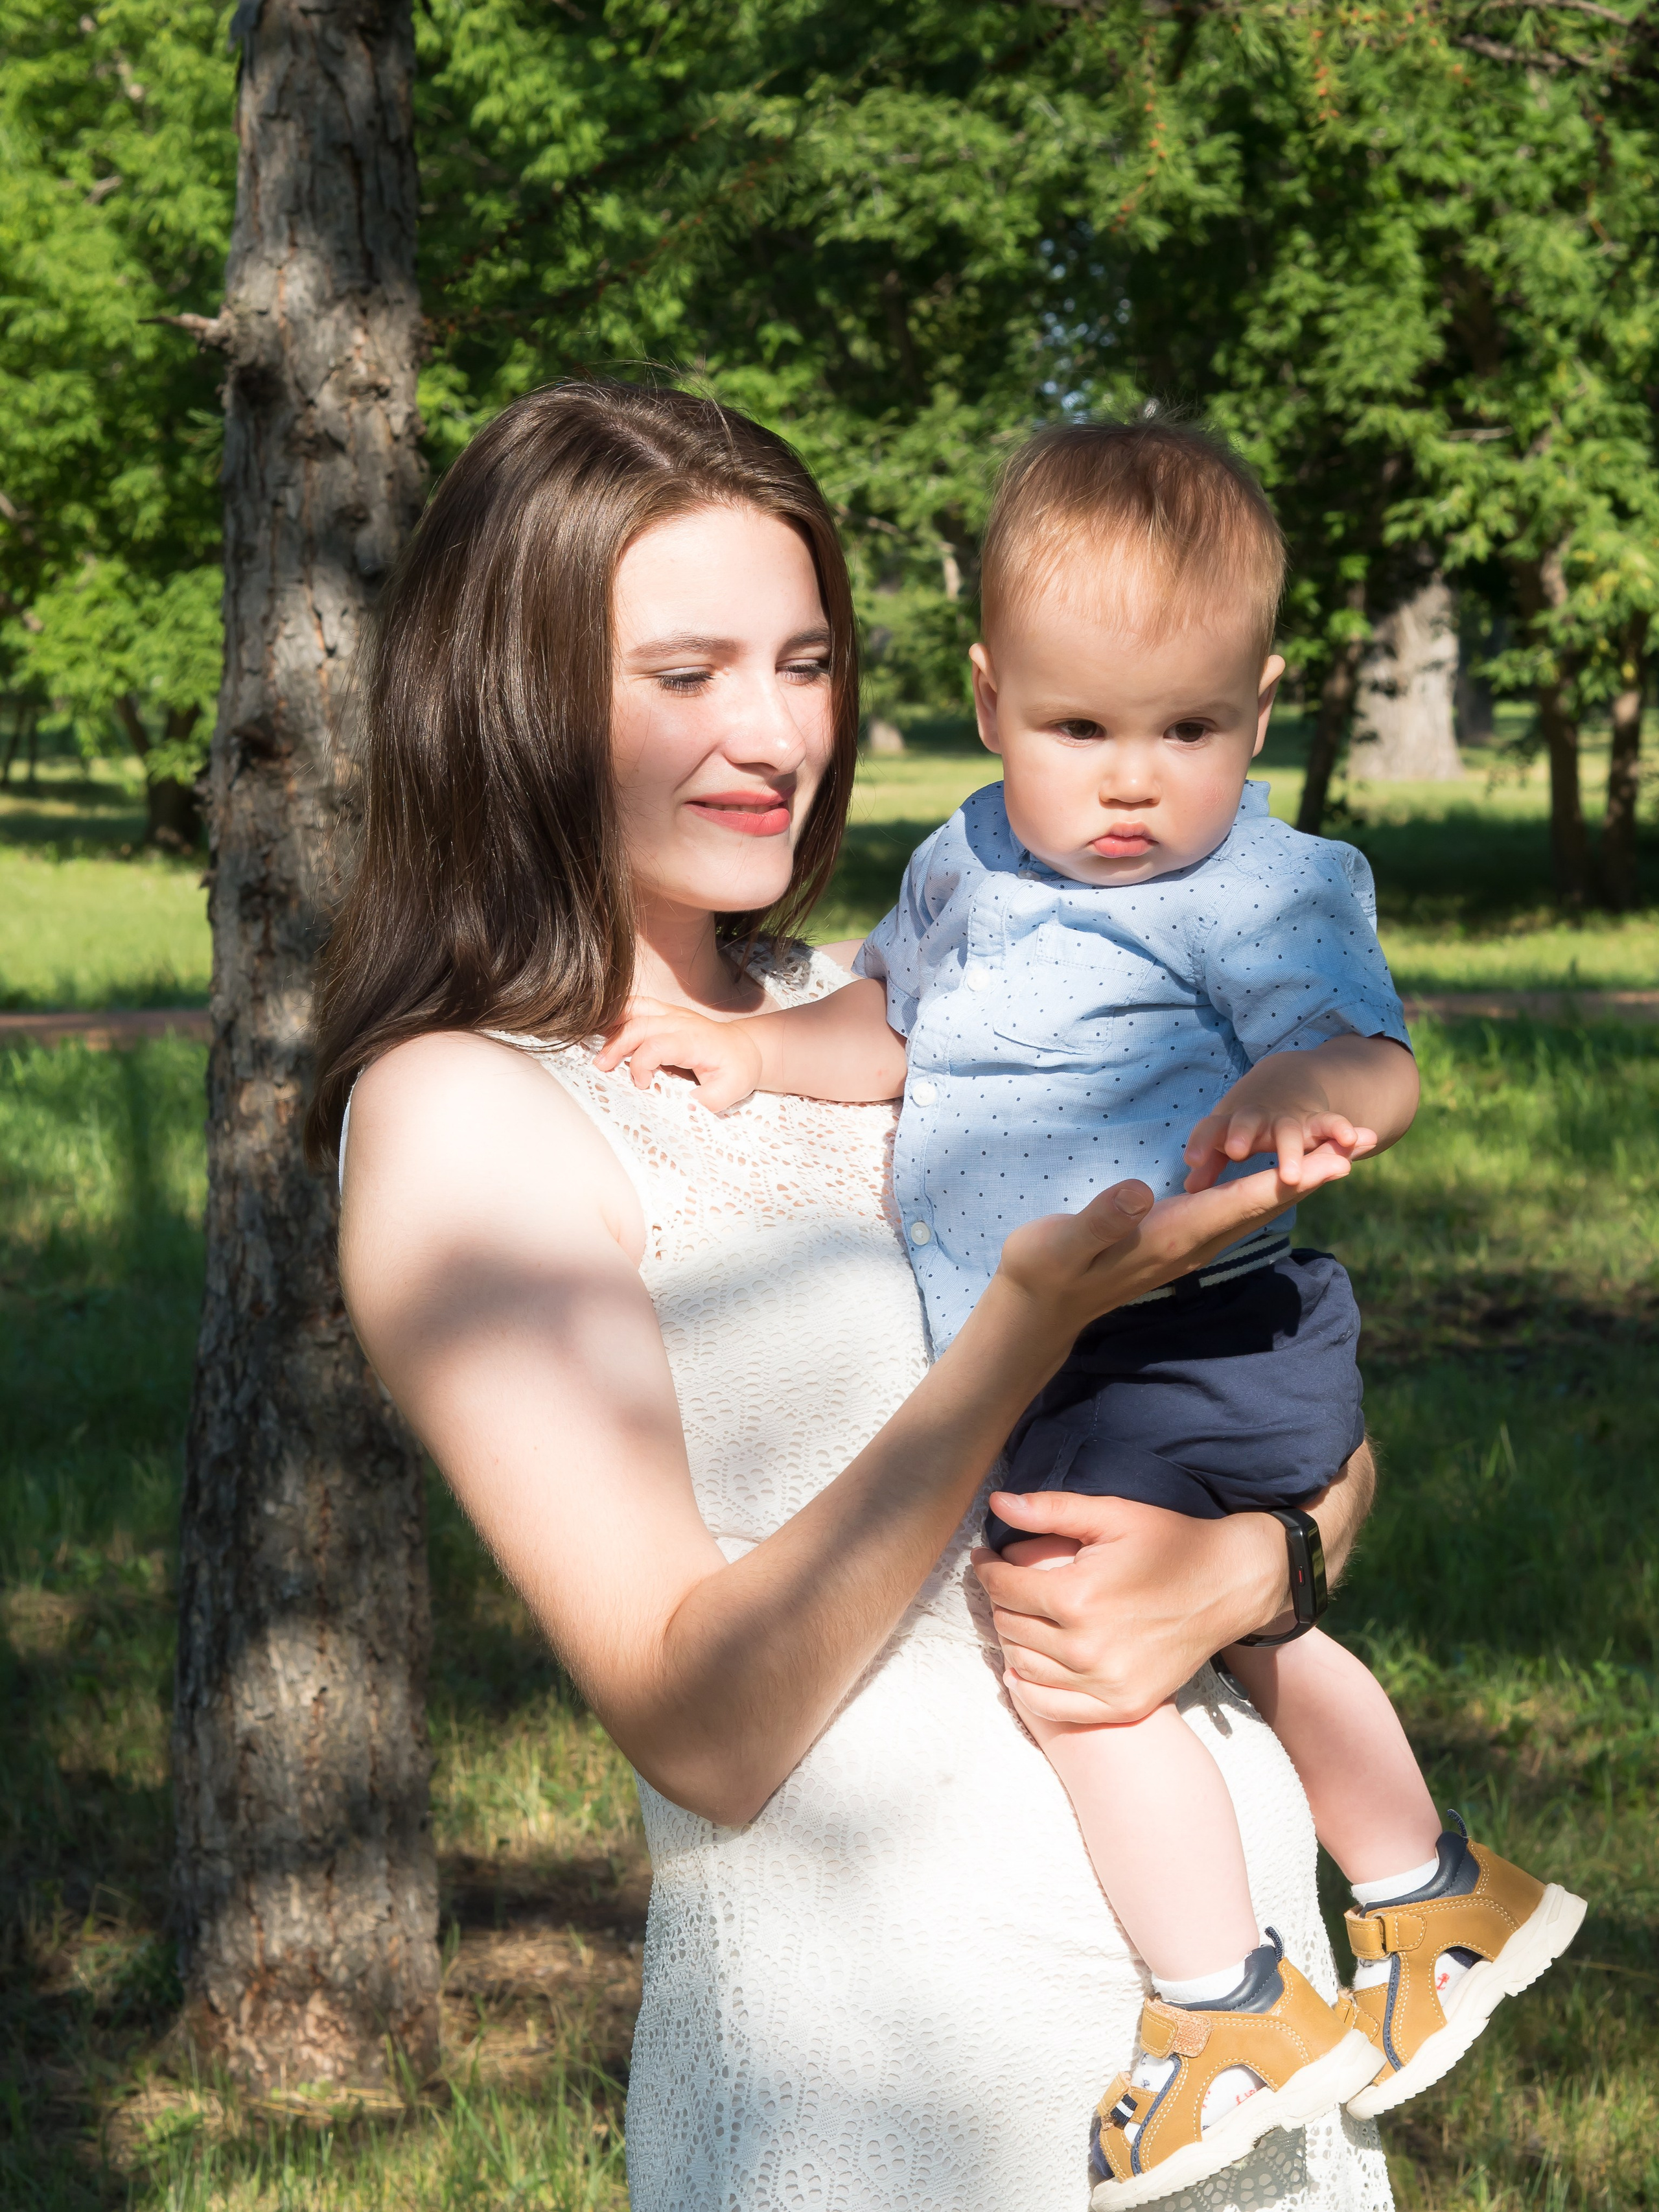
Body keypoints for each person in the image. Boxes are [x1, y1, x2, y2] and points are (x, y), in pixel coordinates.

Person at [309, 380, 1395, 2212]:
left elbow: (1295, 1417)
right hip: (888, 2096)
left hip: (1232, 2054)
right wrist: (1020, 1337)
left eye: (804, 662)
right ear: (510, 697)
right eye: (688, 673)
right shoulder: (462, 1116)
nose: (773, 735)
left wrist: (1254, 1567)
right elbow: (701, 1723)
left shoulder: (920, 1006)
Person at [599, 419, 1585, 2206]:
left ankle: (1227, 1997)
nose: (1133, 782)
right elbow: (896, 1032)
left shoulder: (1258, 885)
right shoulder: (968, 867)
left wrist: (1318, 1093)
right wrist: (755, 1052)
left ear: (1263, 708)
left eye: (1189, 730)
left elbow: (1376, 1050)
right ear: (989, 701)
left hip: (1183, 1317)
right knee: (1238, 1634)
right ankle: (1436, 1884)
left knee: (1075, 1662)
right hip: (1084, 1330)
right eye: (1080, 730)